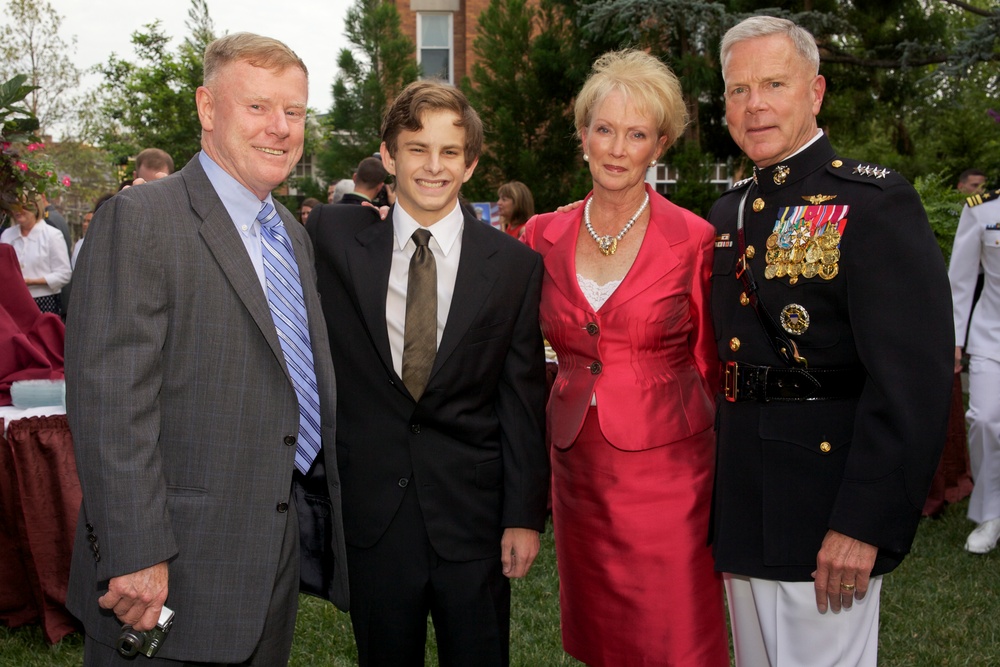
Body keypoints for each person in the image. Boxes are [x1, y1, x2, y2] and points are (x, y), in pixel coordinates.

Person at [65, 32, 348, 665]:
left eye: (295, 112)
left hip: (266, 570)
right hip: (165, 573)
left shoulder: (293, 239)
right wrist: (136, 553)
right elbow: (111, 405)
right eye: (258, 107)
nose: (280, 128)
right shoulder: (141, 221)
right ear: (207, 108)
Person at [709, 17, 953, 666]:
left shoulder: (872, 203)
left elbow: (914, 381)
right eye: (738, 90)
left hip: (826, 508)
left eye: (773, 84)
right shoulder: (729, 212)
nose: (754, 103)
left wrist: (862, 521)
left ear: (814, 92)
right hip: (744, 499)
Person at [308, 80, 549, 666]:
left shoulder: (514, 266)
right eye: (417, 148)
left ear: (470, 164)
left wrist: (524, 515)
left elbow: (521, 400)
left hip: (472, 516)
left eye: (449, 152)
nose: (432, 166)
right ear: (389, 156)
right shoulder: (334, 240)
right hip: (374, 518)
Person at [520, 49, 729, 666]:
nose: (616, 148)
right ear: (582, 134)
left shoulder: (691, 237)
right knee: (603, 634)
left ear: (658, 144)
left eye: (635, 134)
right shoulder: (540, 234)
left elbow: (710, 359)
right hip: (578, 464)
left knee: (677, 632)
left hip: (672, 469)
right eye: (604, 129)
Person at [949, 186, 1000, 553]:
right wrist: (954, 339)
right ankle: (990, 514)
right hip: (991, 337)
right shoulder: (983, 210)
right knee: (984, 420)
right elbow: (961, 280)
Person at [0, 193, 72, 314]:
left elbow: (64, 274)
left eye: (24, 206)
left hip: (44, 302)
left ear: (36, 208)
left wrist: (32, 281)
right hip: (12, 301)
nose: (19, 211)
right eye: (15, 206)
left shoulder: (52, 235)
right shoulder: (7, 235)